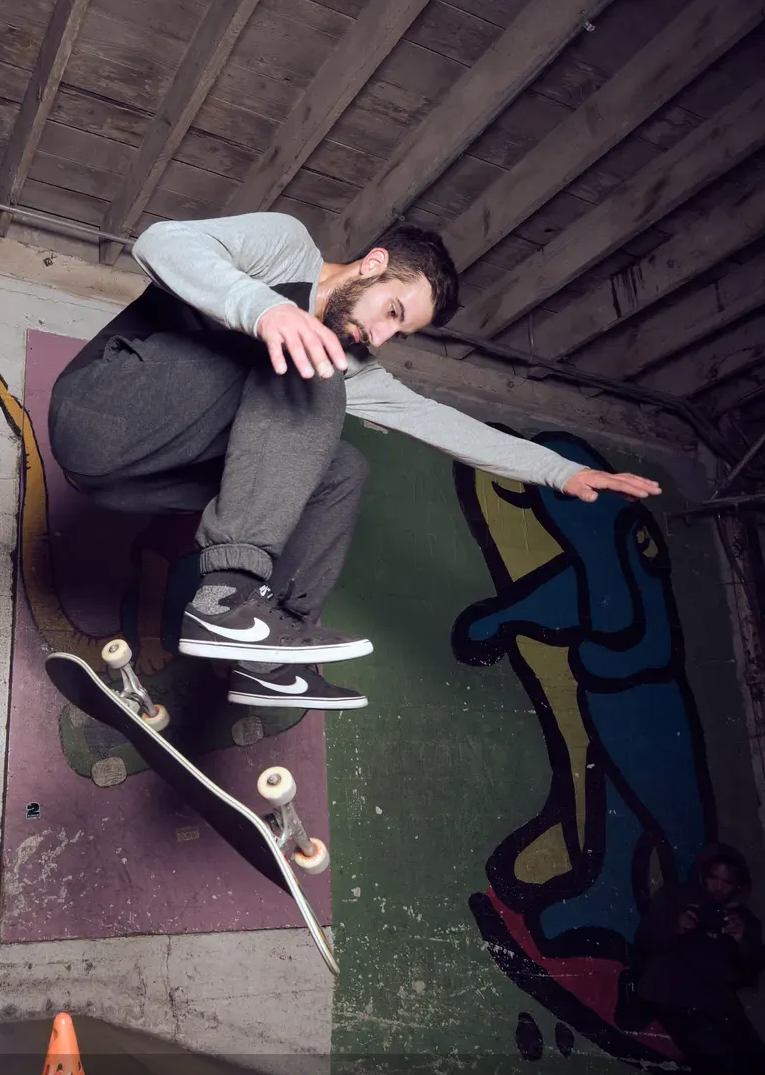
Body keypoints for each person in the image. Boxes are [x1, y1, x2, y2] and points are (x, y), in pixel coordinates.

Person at [48, 212, 661, 710]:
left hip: (138, 482)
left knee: (343, 468)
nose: (381, 337)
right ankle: (225, 599)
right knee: (316, 365)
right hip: (103, 414)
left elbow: (437, 422)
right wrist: (267, 310)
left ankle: (269, 647)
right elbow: (162, 241)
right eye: (392, 312)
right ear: (375, 265)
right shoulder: (287, 249)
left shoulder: (349, 362)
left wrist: (564, 471)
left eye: (402, 333)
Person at [635, 844, 765, 1075]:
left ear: (737, 887)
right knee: (728, 1063)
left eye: (726, 882)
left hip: (718, 1005)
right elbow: (645, 940)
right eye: (713, 878)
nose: (718, 887)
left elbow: (748, 976)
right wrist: (675, 928)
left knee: (731, 1068)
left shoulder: (743, 921)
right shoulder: (678, 898)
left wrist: (742, 942)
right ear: (703, 875)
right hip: (674, 997)